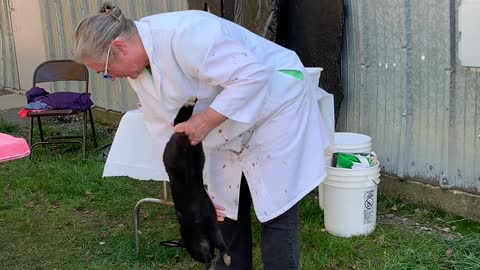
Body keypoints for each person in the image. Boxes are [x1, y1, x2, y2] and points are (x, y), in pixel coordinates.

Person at [74, 2, 329, 269]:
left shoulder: (185, 34)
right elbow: (163, 128)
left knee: (276, 209)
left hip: (277, 104)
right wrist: (190, 187)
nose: (110, 78)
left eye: (105, 72)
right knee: (225, 208)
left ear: (119, 47)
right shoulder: (137, 70)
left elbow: (252, 76)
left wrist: (205, 121)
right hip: (231, 120)